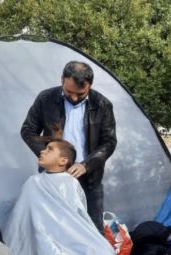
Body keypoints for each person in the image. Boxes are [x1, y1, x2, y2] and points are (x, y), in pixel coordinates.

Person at [21, 60, 117, 232]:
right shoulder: (46, 99)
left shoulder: (102, 104)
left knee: (92, 228)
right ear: (62, 80)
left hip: (90, 178)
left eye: (80, 94)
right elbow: (28, 131)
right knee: (52, 227)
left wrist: (86, 165)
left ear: (90, 85)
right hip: (53, 177)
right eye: (69, 92)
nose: (73, 97)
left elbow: (109, 142)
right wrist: (52, 158)